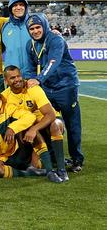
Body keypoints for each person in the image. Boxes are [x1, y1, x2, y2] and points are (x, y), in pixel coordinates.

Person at [23, 13, 83, 173]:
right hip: (48, 88)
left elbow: (53, 62)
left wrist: (39, 78)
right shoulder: (30, 45)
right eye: (32, 29)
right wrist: (29, 79)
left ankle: (77, 159)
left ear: (44, 26)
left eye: (38, 27)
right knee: (48, 122)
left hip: (66, 86)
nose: (35, 31)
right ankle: (56, 157)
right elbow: (29, 67)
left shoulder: (56, 39)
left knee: (72, 124)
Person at [0, 86, 56, 181]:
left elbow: (29, 116)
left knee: (31, 129)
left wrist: (12, 128)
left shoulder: (7, 108)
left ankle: (49, 169)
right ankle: (28, 172)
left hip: (16, 152)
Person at [2, 65, 68, 181]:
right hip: (30, 127)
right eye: (12, 78)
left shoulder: (33, 88)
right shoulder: (5, 97)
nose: (17, 79)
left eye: (18, 76)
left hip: (47, 122)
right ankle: (48, 168)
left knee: (55, 125)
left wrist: (34, 129)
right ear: (6, 81)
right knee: (33, 162)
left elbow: (50, 114)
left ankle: (62, 170)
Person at [1, 0, 31, 71]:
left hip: (32, 74)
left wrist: (54, 33)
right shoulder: (5, 27)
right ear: (10, 8)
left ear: (25, 7)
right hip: (12, 75)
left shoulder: (34, 24)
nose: (18, 7)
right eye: (15, 5)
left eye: (21, 4)